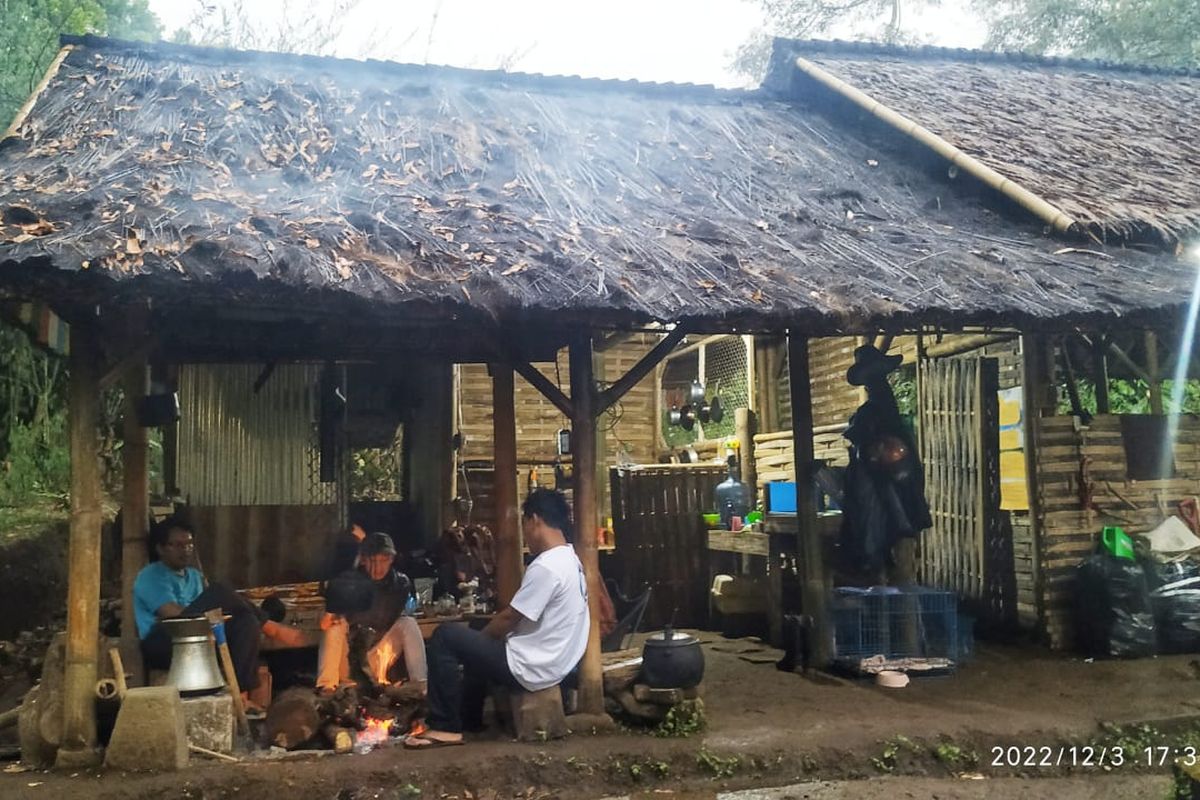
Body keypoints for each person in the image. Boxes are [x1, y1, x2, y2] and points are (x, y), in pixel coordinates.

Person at [406, 488, 590, 749]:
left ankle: (444, 726)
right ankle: (470, 719)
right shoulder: (570, 559)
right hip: (556, 660)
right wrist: (479, 645)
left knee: (446, 636)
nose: (526, 534)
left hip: (532, 666)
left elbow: (509, 618)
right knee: (476, 635)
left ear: (535, 520)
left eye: (525, 525)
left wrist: (480, 643)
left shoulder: (547, 566)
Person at [134, 517, 304, 711]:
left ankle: (240, 695)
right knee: (221, 590)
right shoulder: (150, 576)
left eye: (189, 544)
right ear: (161, 549)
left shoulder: (195, 576)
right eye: (178, 545)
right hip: (165, 642)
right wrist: (213, 607)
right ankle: (270, 625)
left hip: (200, 639)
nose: (186, 549)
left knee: (246, 622)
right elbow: (175, 617)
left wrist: (219, 612)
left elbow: (212, 613)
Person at [317, 532, 427, 694]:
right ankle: (327, 687)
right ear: (363, 560)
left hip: (377, 654)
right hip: (349, 659)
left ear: (391, 560)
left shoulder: (401, 584)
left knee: (408, 623)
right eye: (372, 561)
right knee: (336, 625)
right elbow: (324, 624)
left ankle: (421, 685)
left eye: (383, 560)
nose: (377, 568)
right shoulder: (348, 583)